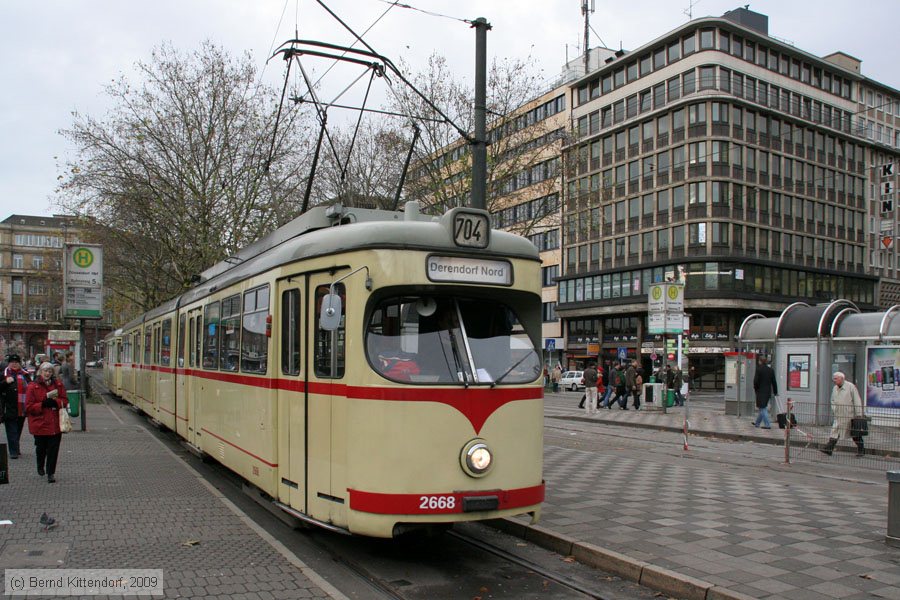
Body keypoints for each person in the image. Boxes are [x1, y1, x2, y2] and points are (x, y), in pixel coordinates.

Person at [25, 361, 68, 483]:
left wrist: (56, 402)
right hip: (40, 424)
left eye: (50, 371)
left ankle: (50, 473)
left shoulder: (58, 385)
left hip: (54, 424)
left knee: (53, 450)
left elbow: (65, 400)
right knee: (41, 449)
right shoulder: (33, 386)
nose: (47, 373)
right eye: (45, 371)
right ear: (40, 372)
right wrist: (42, 405)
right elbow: (28, 407)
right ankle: (40, 465)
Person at [821, 371, 865, 457]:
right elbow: (832, 400)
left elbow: (857, 400)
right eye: (834, 379)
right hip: (838, 415)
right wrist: (834, 409)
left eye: (836, 379)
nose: (834, 380)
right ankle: (829, 449)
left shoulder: (851, 387)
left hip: (849, 415)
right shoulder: (835, 388)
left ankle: (861, 450)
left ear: (842, 378)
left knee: (854, 434)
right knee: (834, 432)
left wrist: (859, 414)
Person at [0, 354, 31, 459]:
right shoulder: (4, 374)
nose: (14, 364)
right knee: (11, 430)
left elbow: (31, 387)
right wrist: (5, 382)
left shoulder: (25, 374)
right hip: (9, 406)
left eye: (16, 362)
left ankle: (16, 447)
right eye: (12, 362)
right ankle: (13, 451)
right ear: (8, 363)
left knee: (18, 429)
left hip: (22, 407)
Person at [752, 357, 777, 429]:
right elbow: (774, 382)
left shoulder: (759, 369)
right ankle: (757, 423)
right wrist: (775, 391)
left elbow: (755, 381)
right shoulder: (771, 370)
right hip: (767, 392)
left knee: (762, 408)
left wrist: (756, 389)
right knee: (762, 407)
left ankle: (767, 425)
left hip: (760, 392)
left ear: (760, 361)